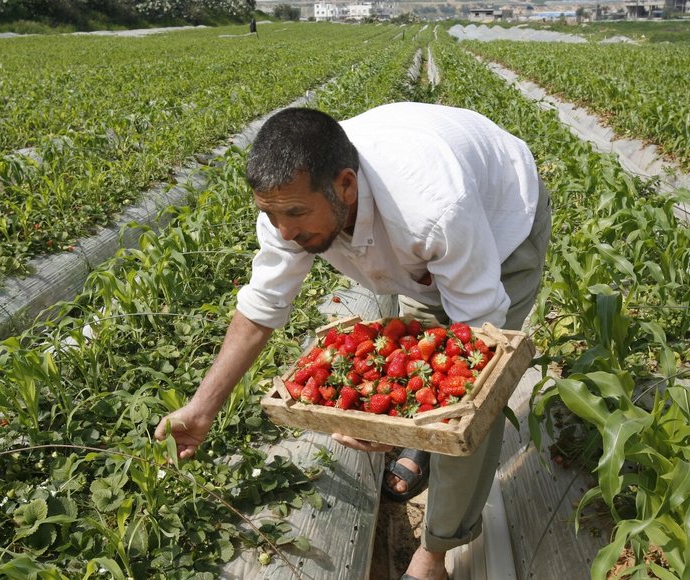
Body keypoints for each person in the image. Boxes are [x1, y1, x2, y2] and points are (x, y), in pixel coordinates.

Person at [155, 102, 551, 580]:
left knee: (470, 408)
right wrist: (201, 410)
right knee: (418, 339)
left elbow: (475, 349)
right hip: (427, 241)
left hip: (502, 221)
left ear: (345, 184)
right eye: (272, 215)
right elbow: (261, 308)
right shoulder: (287, 206)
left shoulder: (431, 208)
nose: (285, 231)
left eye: (297, 214)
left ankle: (434, 556)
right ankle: (419, 441)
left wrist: (385, 416)